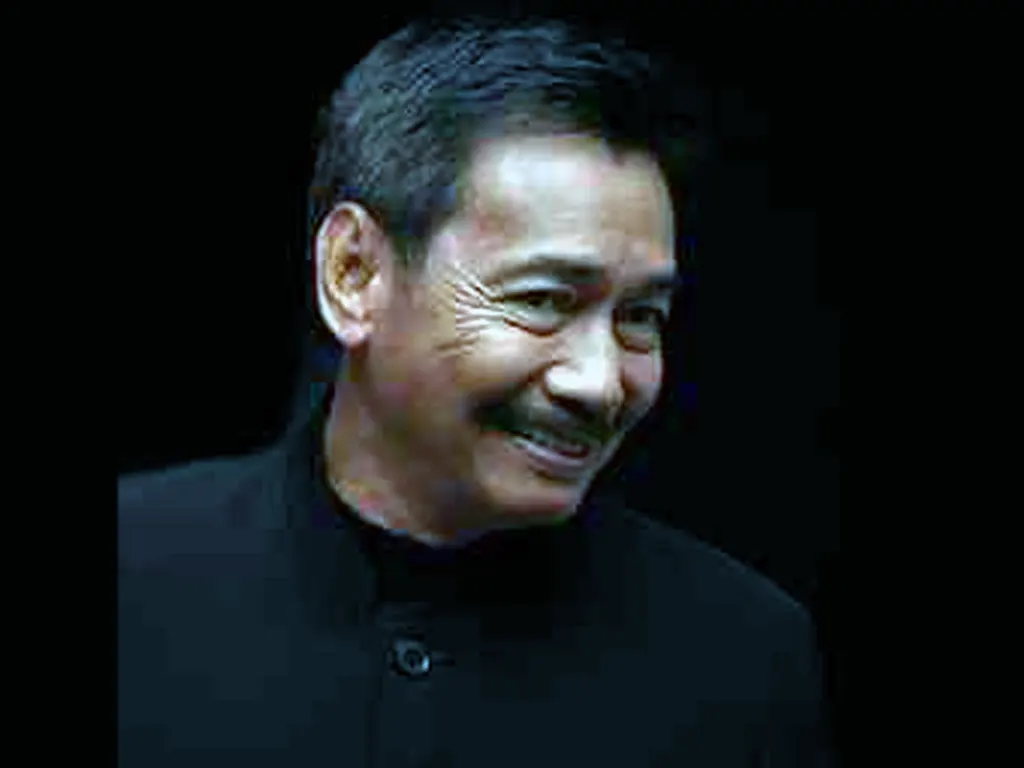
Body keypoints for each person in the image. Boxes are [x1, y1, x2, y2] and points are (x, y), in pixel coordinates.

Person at [118, 14, 836, 766]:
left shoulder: (741, 661)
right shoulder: (135, 574)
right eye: (542, 300)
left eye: (639, 317)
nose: (601, 383)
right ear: (353, 274)